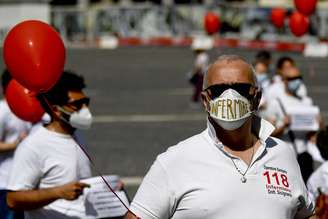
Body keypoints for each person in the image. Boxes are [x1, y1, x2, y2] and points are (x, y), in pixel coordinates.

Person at [124, 55, 314, 219]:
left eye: (240, 89)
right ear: (206, 100)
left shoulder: (282, 153)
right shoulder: (174, 161)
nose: (229, 97)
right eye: (218, 91)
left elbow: (306, 213)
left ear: (256, 98)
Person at [6, 71, 92, 219]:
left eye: (86, 102)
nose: (85, 109)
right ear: (56, 110)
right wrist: (58, 193)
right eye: (77, 105)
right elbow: (13, 199)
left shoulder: (78, 136)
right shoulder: (33, 145)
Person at [0, 69, 31, 219]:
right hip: (5, 183)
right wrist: (18, 143)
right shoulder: (2, 111)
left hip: (25, 184)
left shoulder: (26, 107)